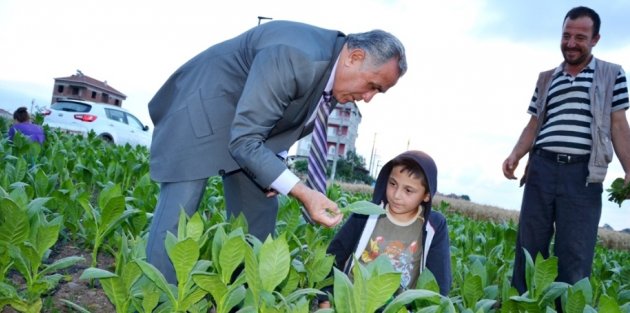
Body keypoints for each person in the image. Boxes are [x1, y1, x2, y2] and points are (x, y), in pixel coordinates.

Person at [146, 20, 407, 284]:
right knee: (178, 218)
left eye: (378, 92)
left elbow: (274, 120)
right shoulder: (296, 55)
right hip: (199, 111)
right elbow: (245, 140)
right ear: (355, 57)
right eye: (373, 85)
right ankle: (160, 303)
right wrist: (302, 192)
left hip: (246, 129)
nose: (369, 98)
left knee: (258, 213)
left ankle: (246, 299)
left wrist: (277, 170)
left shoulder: (328, 73)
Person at [501, 5, 630, 306]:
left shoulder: (613, 74)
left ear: (595, 39)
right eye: (566, 35)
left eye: (580, 37)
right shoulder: (547, 78)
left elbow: (619, 123)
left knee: (574, 253)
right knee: (529, 248)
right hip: (542, 168)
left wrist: (629, 168)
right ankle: (522, 308)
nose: (571, 43)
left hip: (583, 175)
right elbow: (534, 123)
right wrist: (515, 155)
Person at [319, 150, 452, 309]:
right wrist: (325, 299)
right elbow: (335, 255)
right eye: (393, 184)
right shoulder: (366, 212)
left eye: (408, 190)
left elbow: (439, 281)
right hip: (351, 303)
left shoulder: (433, 227)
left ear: (426, 195)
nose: (396, 195)